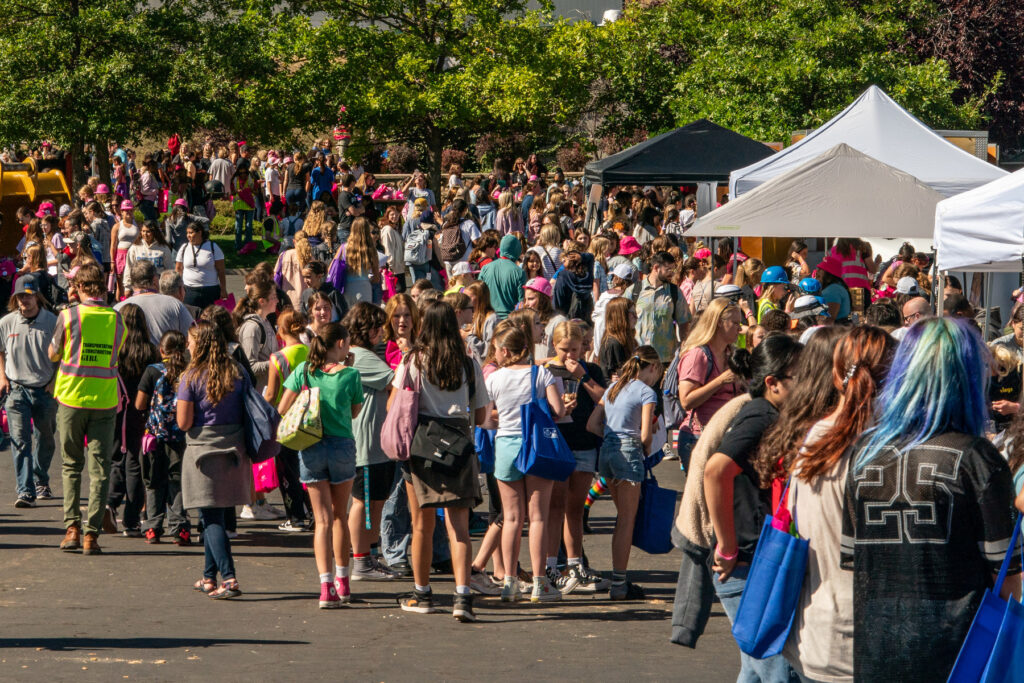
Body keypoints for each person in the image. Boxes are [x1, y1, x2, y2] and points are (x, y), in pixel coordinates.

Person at [842, 317, 1022, 681]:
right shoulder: (977, 458)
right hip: (961, 657)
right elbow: (1009, 582)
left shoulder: (864, 454)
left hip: (877, 651)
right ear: (968, 378)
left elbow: (853, 560)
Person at [781, 326, 892, 683]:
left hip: (815, 633)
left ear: (835, 375)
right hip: (868, 643)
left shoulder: (813, 439)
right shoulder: (885, 452)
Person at [703, 333, 803, 682]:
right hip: (746, 563)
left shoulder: (766, 413)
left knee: (757, 669)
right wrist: (727, 546)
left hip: (752, 560)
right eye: (800, 377)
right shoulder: (761, 415)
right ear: (773, 383)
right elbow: (715, 471)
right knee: (776, 669)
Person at [393, 301, 489, 621]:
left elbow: (400, 406)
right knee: (459, 528)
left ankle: (423, 594)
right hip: (459, 443)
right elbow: (481, 414)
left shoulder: (413, 361)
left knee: (422, 525)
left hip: (422, 444)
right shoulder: (468, 362)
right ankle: (463, 597)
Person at [277, 322, 363, 608]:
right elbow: (353, 411)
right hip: (341, 446)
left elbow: (281, 408)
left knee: (322, 520)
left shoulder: (304, 371)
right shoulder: (351, 375)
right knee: (341, 515)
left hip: (311, 445)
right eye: (348, 341)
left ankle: (326, 587)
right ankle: (343, 581)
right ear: (339, 344)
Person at [485, 326, 566, 603]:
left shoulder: (494, 378)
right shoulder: (541, 374)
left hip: (506, 445)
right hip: (536, 447)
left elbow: (485, 418)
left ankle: (509, 582)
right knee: (538, 517)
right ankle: (540, 583)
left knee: (511, 518)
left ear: (505, 351)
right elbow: (559, 411)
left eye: (497, 348)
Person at [49, 263, 126, 554]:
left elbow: (53, 353)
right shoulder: (116, 319)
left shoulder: (68, 316)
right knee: (100, 469)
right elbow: (115, 353)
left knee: (71, 465)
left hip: (71, 398)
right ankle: (92, 534)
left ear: (79, 287)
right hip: (105, 400)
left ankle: (72, 528)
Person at [177, 321, 251, 599]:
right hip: (234, 450)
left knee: (210, 518)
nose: (187, 345)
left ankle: (228, 577)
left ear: (201, 344)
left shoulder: (191, 377)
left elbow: (184, 422)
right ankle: (209, 576)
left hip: (202, 454)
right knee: (216, 512)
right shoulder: (238, 371)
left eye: (191, 341)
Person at [586, 345, 663, 599]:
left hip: (608, 451)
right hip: (629, 452)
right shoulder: (647, 392)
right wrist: (648, 446)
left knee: (622, 518)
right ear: (652, 367)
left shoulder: (613, 387)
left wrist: (611, 437)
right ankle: (619, 583)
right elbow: (645, 434)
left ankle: (619, 580)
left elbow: (592, 424)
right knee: (626, 521)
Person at [542, 321, 610, 593]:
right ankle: (550, 566)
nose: (570, 355)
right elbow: (539, 407)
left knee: (575, 508)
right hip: (557, 444)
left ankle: (575, 564)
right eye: (564, 349)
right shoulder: (546, 371)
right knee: (555, 507)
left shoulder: (590, 370)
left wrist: (583, 375)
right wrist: (558, 407)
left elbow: (605, 400)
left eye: (575, 349)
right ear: (554, 346)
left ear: (584, 346)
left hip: (583, 444)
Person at [343, 303, 400, 580]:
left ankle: (370, 555)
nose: (381, 332)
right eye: (377, 327)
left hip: (375, 443)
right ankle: (361, 562)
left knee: (375, 502)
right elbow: (397, 383)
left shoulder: (359, 354)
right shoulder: (361, 356)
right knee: (363, 503)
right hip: (366, 443)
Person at [1, 276, 58, 507]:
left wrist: (55, 380)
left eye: (29, 294)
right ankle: (25, 491)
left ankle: (40, 479)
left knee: (45, 439)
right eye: (20, 296)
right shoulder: (6, 322)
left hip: (44, 389)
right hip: (16, 391)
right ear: (15, 298)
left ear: (37, 296)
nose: (25, 299)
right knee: (20, 441)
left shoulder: (52, 321)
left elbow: (64, 354)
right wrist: (2, 376)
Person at [106, 303, 159, 537]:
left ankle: (110, 502)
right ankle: (132, 519)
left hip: (117, 407)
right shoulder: (151, 351)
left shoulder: (116, 350)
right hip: (143, 410)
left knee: (116, 455)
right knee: (137, 461)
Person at [135, 330, 191, 544]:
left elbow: (140, 404)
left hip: (154, 436)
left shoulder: (152, 371)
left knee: (153, 481)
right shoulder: (188, 371)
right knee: (177, 482)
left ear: (161, 350)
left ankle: (152, 528)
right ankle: (180, 528)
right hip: (180, 436)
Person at [676, 298, 743, 469]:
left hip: (726, 435)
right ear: (719, 323)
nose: (740, 328)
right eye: (735, 323)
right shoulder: (698, 355)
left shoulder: (731, 354)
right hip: (700, 437)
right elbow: (686, 401)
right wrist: (720, 381)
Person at [262, 310, 312, 532]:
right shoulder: (310, 352)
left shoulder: (278, 358)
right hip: (311, 416)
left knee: (288, 469)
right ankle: (313, 512)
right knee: (309, 468)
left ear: (280, 331)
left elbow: (272, 394)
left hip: (286, 420)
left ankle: (295, 516)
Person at [115, 261, 193, 346]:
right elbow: (192, 339)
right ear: (155, 281)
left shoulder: (117, 309)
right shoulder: (174, 304)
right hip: (166, 358)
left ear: (132, 283)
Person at [635, 251, 690, 364]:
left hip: (665, 358)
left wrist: (685, 346)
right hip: (639, 356)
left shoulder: (675, 292)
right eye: (668, 269)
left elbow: (684, 323)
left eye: (673, 269)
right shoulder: (635, 291)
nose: (672, 273)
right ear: (656, 268)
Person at [175, 222, 227, 310]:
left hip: (210, 290)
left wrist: (223, 289)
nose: (188, 235)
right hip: (189, 290)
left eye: (191, 232)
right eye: (187, 233)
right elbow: (178, 269)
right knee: (191, 319)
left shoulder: (213, 247)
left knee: (211, 319)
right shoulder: (184, 248)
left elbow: (221, 270)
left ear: (200, 233)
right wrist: (178, 288)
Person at [479, 234, 526, 319]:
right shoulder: (519, 272)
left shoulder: (485, 268)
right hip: (509, 321)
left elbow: (479, 293)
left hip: (488, 318)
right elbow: (521, 302)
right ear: (517, 250)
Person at [123, 220, 174, 295]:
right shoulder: (135, 247)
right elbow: (129, 267)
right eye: (143, 231)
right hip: (139, 288)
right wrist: (127, 287)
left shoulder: (164, 248)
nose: (145, 234)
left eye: (148, 231)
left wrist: (169, 288)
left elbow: (169, 270)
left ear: (154, 232)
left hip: (157, 289)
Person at [340, 217, 381, 307]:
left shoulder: (343, 248)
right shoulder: (370, 249)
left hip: (346, 287)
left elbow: (333, 266)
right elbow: (377, 278)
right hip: (364, 287)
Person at [523, 277, 566, 361]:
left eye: (531, 299)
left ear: (543, 299)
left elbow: (565, 355)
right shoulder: (529, 320)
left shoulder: (559, 322)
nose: (526, 304)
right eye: (525, 299)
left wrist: (540, 362)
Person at [597, 297, 637, 380]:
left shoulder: (628, 340)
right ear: (620, 316)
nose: (636, 317)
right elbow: (606, 378)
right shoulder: (613, 343)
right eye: (632, 313)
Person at [110, 200, 140, 299]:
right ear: (121, 212)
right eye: (125, 210)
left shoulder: (138, 224)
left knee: (135, 281)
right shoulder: (117, 226)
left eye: (130, 210)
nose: (128, 212)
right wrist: (112, 261)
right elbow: (113, 245)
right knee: (120, 284)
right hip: (121, 255)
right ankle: (120, 305)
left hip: (135, 255)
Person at [230, 166, 257, 249]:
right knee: (238, 226)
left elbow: (256, 192)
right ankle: (238, 245)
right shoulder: (234, 180)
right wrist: (236, 191)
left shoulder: (252, 180)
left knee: (249, 226)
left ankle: (247, 245)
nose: (243, 175)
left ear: (247, 173)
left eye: (244, 173)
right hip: (239, 205)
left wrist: (251, 189)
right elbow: (232, 193)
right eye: (241, 173)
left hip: (249, 206)